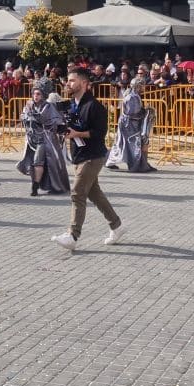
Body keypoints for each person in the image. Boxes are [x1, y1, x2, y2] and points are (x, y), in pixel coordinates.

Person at [51, 67, 124, 251]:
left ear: (84, 83)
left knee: (77, 193)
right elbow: (61, 121)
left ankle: (73, 236)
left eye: (72, 80)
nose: (68, 83)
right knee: (94, 194)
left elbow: (99, 133)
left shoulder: (94, 106)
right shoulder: (71, 104)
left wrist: (77, 133)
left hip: (93, 156)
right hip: (78, 155)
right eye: (68, 80)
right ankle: (117, 226)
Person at [17, 79, 70, 196]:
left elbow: (41, 119)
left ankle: (34, 187)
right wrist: (27, 115)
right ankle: (36, 183)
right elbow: (23, 117)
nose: (35, 96)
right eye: (34, 94)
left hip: (44, 139)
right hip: (31, 139)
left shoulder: (48, 106)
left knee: (37, 161)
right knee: (32, 162)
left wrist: (30, 112)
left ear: (43, 95)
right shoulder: (29, 105)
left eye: (38, 94)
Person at [106, 76, 157, 172]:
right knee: (128, 144)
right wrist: (145, 112)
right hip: (128, 124)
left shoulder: (135, 96)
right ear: (138, 86)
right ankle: (134, 164)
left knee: (123, 143)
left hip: (130, 124)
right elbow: (132, 113)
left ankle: (141, 164)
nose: (143, 88)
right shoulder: (131, 97)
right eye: (142, 86)